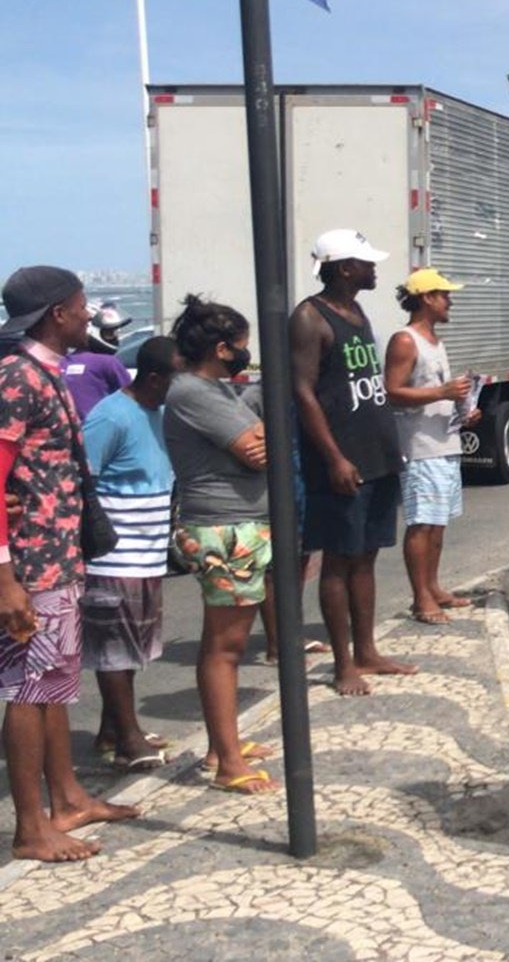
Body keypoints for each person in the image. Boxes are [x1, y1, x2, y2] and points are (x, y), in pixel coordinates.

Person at [0, 265, 140, 862]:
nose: (90, 315)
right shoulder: (17, 378)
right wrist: (5, 576)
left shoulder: (44, 371)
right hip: (30, 567)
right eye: (83, 306)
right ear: (58, 312)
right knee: (28, 688)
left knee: (54, 685)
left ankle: (68, 798)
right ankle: (31, 828)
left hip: (57, 560)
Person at [290, 228, 417, 696]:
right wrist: (334, 457)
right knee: (338, 561)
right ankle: (343, 662)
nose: (374, 268)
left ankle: (367, 650)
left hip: (376, 450)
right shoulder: (310, 317)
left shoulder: (357, 310)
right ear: (345, 267)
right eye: (366, 262)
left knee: (366, 556)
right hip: (340, 456)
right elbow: (303, 391)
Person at [165, 296, 281, 794]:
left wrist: (261, 437)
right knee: (225, 649)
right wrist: (261, 439)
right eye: (240, 347)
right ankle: (228, 762)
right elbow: (258, 451)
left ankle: (222, 744)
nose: (246, 355)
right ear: (220, 348)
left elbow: (261, 439)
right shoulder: (193, 392)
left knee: (225, 643)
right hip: (223, 528)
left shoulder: (216, 389)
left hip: (239, 526)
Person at [81, 336, 180, 771]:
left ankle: (112, 730)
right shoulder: (111, 415)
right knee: (115, 652)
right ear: (156, 378)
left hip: (148, 556)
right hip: (113, 558)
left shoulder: (159, 414)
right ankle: (128, 740)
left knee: (132, 651)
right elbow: (83, 479)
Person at [384, 268, 481, 626]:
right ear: (426, 297)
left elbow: (436, 391)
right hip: (420, 445)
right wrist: (441, 393)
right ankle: (420, 596)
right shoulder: (406, 341)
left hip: (444, 441)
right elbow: (391, 391)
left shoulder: (436, 342)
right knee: (422, 522)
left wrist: (463, 409)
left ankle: (433, 586)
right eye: (444, 294)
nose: (449, 301)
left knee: (438, 522)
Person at [62, 304, 133, 419]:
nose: (115, 338)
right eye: (109, 333)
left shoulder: (64, 361)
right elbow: (133, 398)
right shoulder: (108, 362)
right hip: (101, 428)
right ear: (91, 331)